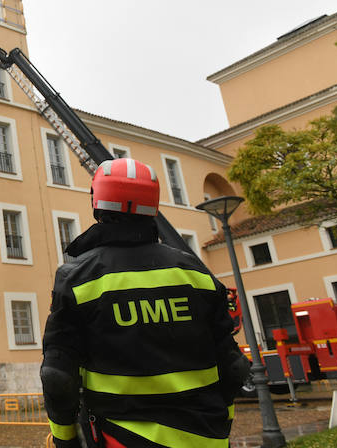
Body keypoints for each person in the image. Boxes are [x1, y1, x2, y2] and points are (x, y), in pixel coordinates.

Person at [41, 158, 250, 448]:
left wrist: (65, 440)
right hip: (207, 438)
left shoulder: (77, 278)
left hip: (120, 438)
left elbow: (57, 377)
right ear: (153, 205)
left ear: (98, 203)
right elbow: (234, 367)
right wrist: (220, 424)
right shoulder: (196, 273)